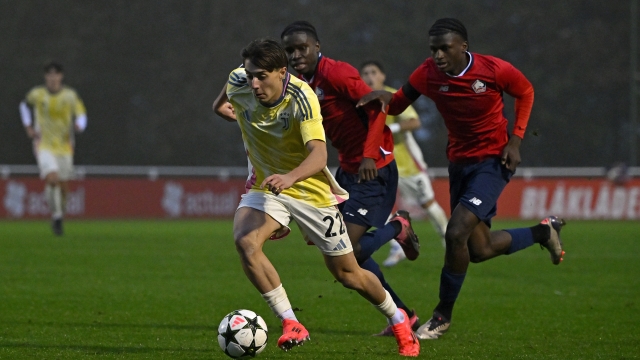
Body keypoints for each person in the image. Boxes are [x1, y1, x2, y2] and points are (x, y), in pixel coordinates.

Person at [358, 18, 566, 340]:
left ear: (463, 47)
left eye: (445, 48)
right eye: (434, 49)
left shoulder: (492, 70)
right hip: (459, 163)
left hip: (494, 161)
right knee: (479, 249)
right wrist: (382, 98)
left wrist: (516, 139)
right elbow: (398, 103)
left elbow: (525, 91)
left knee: (455, 232)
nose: (438, 55)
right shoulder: (427, 73)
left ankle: (441, 316)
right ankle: (543, 232)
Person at [212, 38, 419, 356]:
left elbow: (320, 157)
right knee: (245, 241)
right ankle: (291, 322)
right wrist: (248, 125)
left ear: (282, 72)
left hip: (310, 190)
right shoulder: (239, 80)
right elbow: (221, 106)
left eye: (261, 76)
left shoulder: (302, 97)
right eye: (250, 74)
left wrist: (290, 176)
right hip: (267, 185)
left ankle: (399, 319)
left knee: (348, 274)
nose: (253, 83)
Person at [280, 21, 421, 337]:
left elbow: (379, 105)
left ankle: (400, 226)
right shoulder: (301, 83)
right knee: (339, 252)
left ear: (317, 46)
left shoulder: (337, 73)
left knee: (349, 252)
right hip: (346, 171)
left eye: (302, 47)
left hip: (375, 168)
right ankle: (402, 316)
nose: (296, 54)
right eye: (290, 50)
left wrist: (370, 154)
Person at [360, 60, 449, 267]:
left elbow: (414, 122)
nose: (370, 76)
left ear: (382, 75)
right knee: (380, 206)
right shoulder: (362, 100)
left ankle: (448, 240)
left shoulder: (393, 96)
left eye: (373, 72)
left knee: (427, 203)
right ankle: (397, 246)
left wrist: (392, 131)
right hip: (380, 164)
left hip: (406, 163)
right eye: (365, 73)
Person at [19, 61, 87, 235]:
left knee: (63, 187)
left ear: (61, 76)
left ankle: (59, 214)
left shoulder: (70, 96)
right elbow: (24, 105)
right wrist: (28, 126)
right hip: (44, 145)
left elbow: (81, 114)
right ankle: (56, 217)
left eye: (56, 74)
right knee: (52, 178)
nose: (52, 78)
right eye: (49, 74)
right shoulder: (38, 94)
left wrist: (80, 125)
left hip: (65, 147)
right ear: (45, 77)